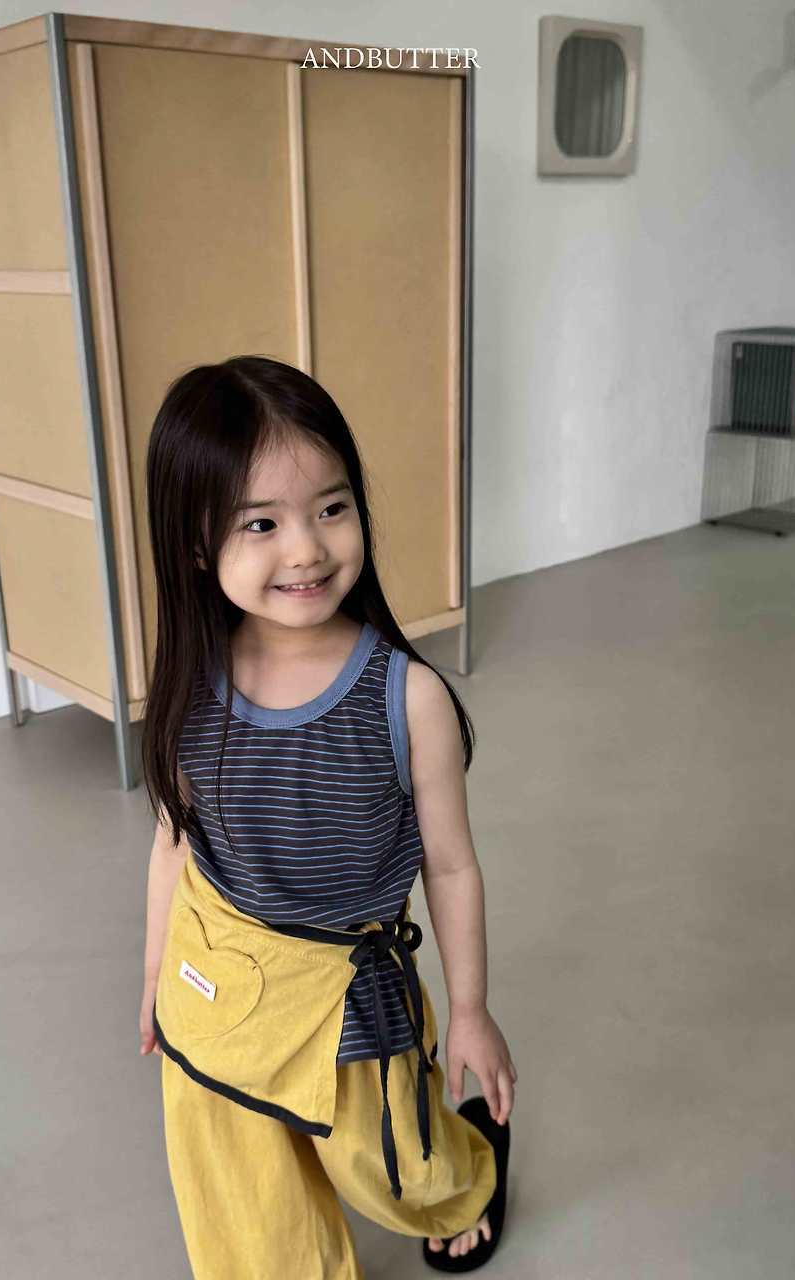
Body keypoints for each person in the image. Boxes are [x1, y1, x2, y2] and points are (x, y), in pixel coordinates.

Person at [135, 355, 517, 1277]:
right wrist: (153, 973)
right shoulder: (189, 687)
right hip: (219, 978)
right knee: (244, 1200)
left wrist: (469, 1010)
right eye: (261, 523)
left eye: (331, 508)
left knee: (394, 1169)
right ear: (196, 545)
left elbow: (451, 865)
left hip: (347, 993)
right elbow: (175, 841)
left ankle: (465, 1181)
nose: (306, 549)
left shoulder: (406, 698)